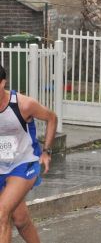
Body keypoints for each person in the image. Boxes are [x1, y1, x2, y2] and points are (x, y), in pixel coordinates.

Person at [0, 64, 57, 243]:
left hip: (23, 164)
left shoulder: (23, 105)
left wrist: (46, 151)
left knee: (1, 214)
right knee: (20, 220)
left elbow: (51, 118)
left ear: (2, 83)